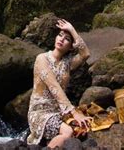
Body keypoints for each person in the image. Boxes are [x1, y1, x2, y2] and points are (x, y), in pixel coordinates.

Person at [27, 18, 92, 148]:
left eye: (67, 39)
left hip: (59, 112)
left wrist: (72, 30)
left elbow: (85, 54)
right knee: (68, 132)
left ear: (70, 47)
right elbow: (55, 88)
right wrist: (74, 112)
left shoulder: (67, 64)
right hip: (40, 113)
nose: (61, 39)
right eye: (60, 35)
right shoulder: (42, 59)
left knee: (86, 125)